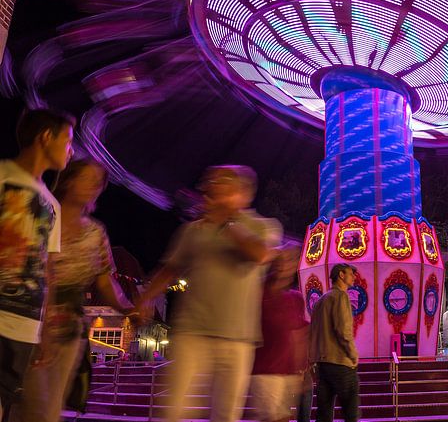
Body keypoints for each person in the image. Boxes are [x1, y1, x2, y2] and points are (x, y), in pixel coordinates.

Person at [137, 165, 281, 422]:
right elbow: (169, 270)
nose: (211, 186)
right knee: (171, 410)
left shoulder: (264, 226)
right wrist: (144, 297)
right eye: (210, 182)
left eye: (222, 182)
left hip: (238, 338)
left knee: (225, 415)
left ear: (243, 193)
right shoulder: (192, 231)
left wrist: (227, 222)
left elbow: (259, 255)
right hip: (191, 333)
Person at [11, 159, 137, 422]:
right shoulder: (42, 217)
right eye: (88, 177)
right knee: (30, 399)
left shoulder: (95, 232)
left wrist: (126, 307)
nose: (95, 185)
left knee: (52, 401)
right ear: (68, 179)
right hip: (30, 318)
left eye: (99, 181)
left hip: (69, 325)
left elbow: (104, 280)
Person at [0, 108, 74, 422]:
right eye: (68, 141)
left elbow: (47, 268)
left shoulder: (52, 204)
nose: (71, 151)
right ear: (46, 138)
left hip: (25, 325)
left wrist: (44, 330)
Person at [251, 245, 308, 422]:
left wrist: (301, 369)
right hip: (265, 369)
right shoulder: (259, 292)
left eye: (291, 260)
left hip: (288, 370)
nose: (286, 265)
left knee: (284, 417)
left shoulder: (296, 298)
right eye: (282, 260)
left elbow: (300, 335)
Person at [309, 263, 360, 422]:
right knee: (351, 412)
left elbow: (314, 332)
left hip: (323, 364)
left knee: (324, 413)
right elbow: (343, 329)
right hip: (341, 362)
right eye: (351, 273)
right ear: (341, 275)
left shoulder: (320, 301)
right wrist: (353, 354)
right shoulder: (341, 296)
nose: (354, 277)